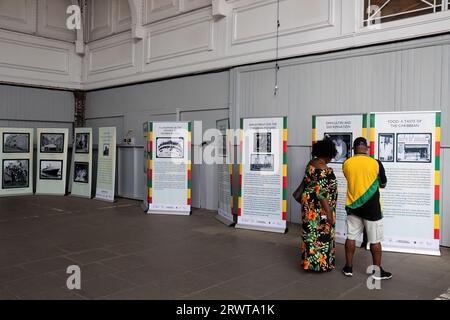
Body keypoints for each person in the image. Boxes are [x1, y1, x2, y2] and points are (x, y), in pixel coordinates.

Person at [342, 137, 392, 280]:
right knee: (375, 240)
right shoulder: (376, 163)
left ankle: (348, 268)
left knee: (350, 237)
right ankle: (377, 272)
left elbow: (349, 178)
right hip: (372, 208)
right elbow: (383, 183)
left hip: (353, 206)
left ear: (353, 149)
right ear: (367, 148)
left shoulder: (347, 163)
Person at [300, 139, 338, 272]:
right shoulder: (322, 169)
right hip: (319, 208)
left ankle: (309, 263)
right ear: (328, 153)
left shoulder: (311, 164)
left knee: (310, 234)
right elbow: (321, 193)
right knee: (322, 236)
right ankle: (320, 265)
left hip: (309, 206)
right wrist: (329, 214)